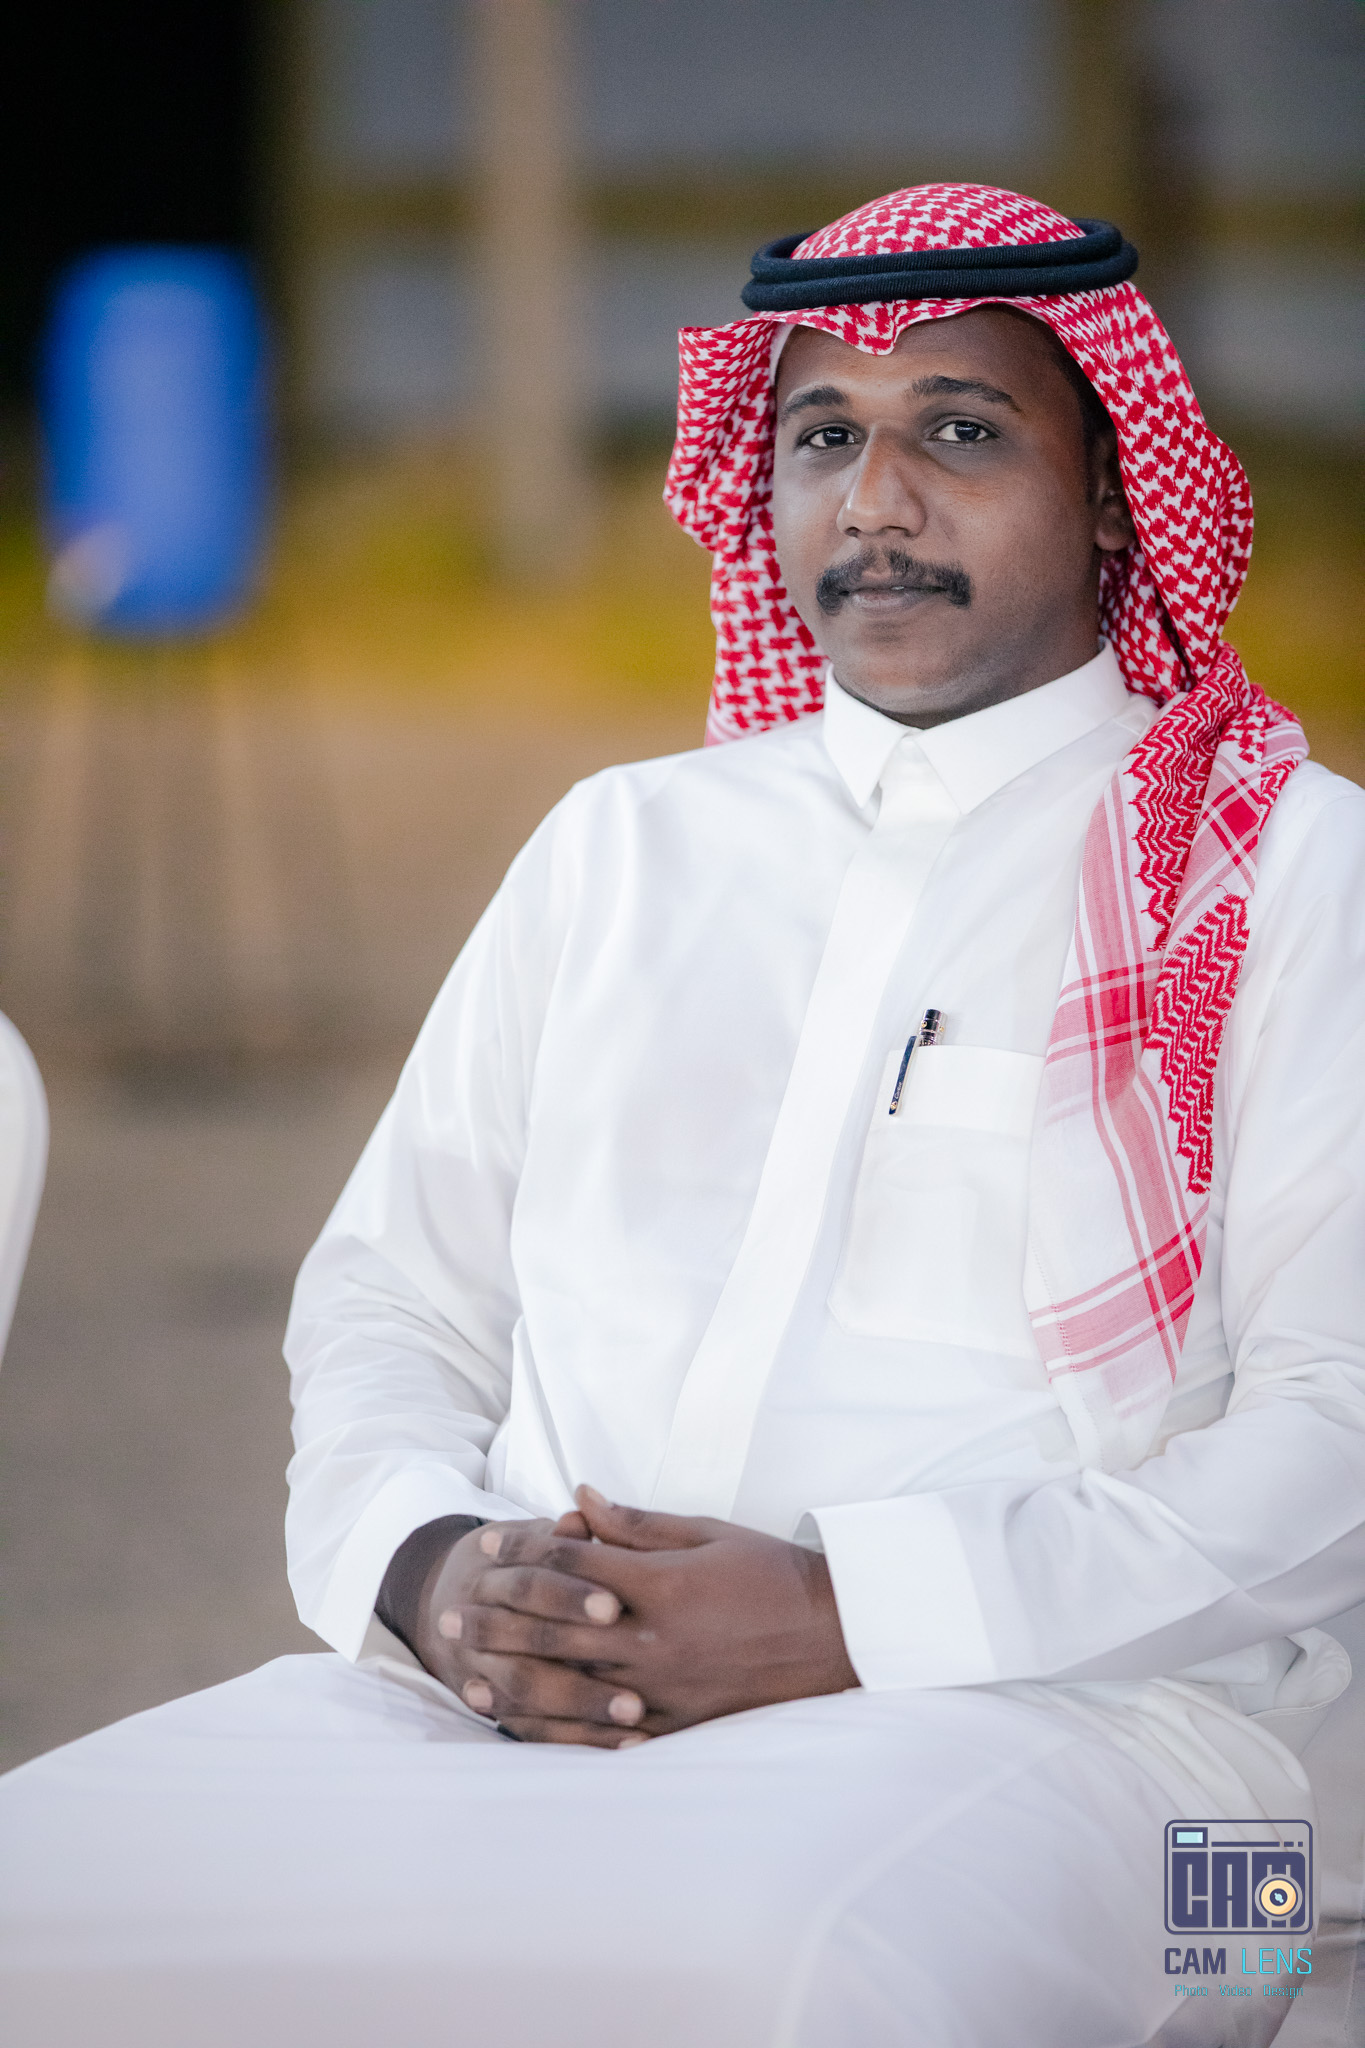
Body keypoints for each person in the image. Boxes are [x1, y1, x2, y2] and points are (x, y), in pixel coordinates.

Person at [2, 185, 1363, 2048]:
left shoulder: (1292, 877)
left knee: (775, 1989)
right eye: (822, 439)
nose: (875, 502)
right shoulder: (621, 851)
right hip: (492, 1710)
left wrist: (845, 1614)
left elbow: (1335, 1432)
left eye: (961, 433)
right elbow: (394, 1297)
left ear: (1117, 491)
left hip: (1127, 1745)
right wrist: (433, 1573)